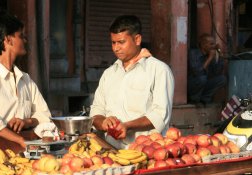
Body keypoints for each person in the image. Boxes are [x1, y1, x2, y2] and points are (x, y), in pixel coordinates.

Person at [89, 15, 175, 149]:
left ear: (137, 39)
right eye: (113, 42)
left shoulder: (159, 70)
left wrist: (127, 126)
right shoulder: (109, 74)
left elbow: (160, 115)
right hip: (112, 151)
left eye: (121, 42)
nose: (116, 48)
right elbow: (96, 111)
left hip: (147, 150)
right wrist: (104, 121)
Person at [0, 14, 51, 148]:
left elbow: (45, 115)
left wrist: (27, 122)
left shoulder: (26, 80)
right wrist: (19, 140)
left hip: (23, 153)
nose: (25, 40)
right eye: (21, 35)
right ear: (8, 40)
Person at [188, 33, 226, 106]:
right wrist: (210, 58)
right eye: (211, 44)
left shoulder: (210, 55)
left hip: (204, 84)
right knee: (202, 78)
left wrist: (220, 56)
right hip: (192, 84)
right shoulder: (193, 53)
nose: (214, 46)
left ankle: (204, 99)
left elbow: (217, 72)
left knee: (222, 79)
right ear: (203, 45)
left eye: (214, 44)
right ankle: (195, 100)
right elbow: (198, 73)